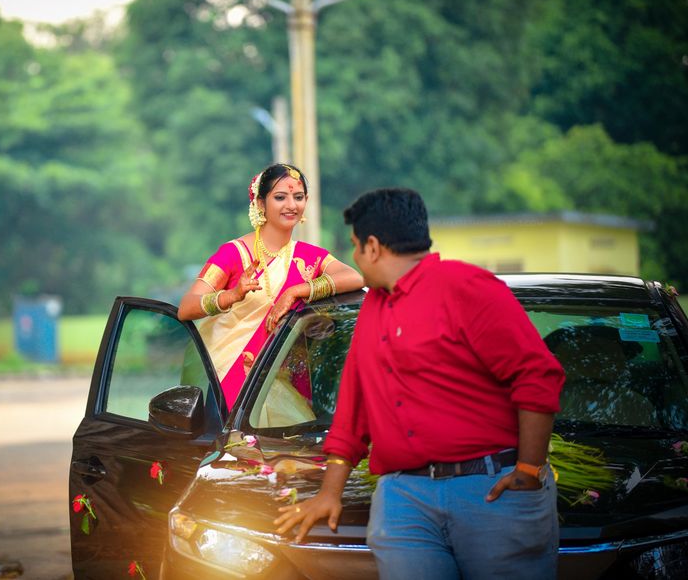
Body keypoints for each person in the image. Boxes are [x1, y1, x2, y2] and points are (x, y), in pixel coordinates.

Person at [274, 188, 566, 579]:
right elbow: (354, 408)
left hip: (489, 489)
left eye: (356, 247)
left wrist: (530, 468)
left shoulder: (468, 287)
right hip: (404, 497)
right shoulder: (374, 305)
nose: (356, 258)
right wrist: (329, 493)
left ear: (373, 247)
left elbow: (536, 375)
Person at [177, 163, 364, 415]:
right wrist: (231, 295)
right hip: (228, 376)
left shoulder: (309, 257)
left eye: (298, 197)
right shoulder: (235, 254)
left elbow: (354, 277)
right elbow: (186, 307)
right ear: (261, 203)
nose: (291, 205)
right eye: (280, 197)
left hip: (276, 382)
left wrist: (296, 291)